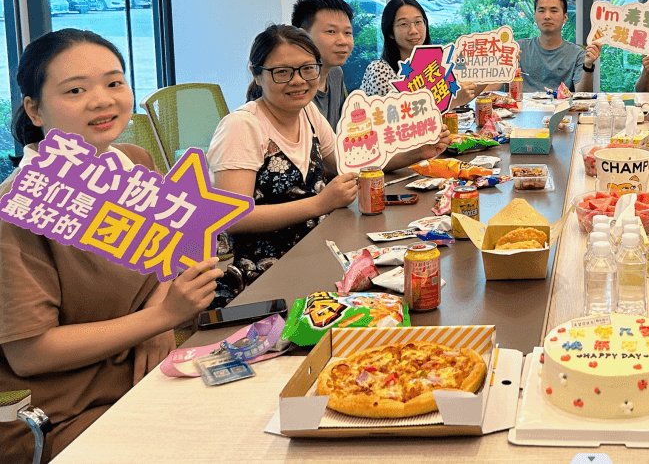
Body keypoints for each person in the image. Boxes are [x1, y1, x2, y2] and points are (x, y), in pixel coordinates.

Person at [0, 29, 222, 464]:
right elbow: (29, 352)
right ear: (35, 109)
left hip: (152, 373)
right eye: (75, 90)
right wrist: (160, 317)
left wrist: (158, 321)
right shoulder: (18, 210)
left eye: (114, 82)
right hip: (66, 413)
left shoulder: (134, 161)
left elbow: (168, 252)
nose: (102, 100)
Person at [208, 24, 446, 305]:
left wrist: (417, 153)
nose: (298, 81)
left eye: (308, 69)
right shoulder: (241, 127)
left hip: (319, 251)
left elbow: (351, 163)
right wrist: (319, 204)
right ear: (256, 74)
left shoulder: (307, 112)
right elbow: (233, 218)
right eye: (282, 72)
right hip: (266, 278)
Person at [360, 0, 478, 107]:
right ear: (390, 32)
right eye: (404, 24)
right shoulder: (379, 70)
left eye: (418, 22)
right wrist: (453, 102)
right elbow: (394, 118)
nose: (413, 30)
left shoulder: (435, 65)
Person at [291, 0, 354, 130]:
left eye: (347, 33)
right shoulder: (292, 84)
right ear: (302, 36)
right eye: (331, 31)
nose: (343, 41)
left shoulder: (336, 73)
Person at [519, 0, 599, 94]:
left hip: (564, 104)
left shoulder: (578, 54)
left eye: (554, 11)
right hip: (523, 105)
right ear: (535, 16)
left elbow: (582, 94)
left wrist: (588, 66)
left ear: (565, 18)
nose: (547, 16)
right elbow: (499, 90)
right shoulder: (518, 49)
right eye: (541, 11)